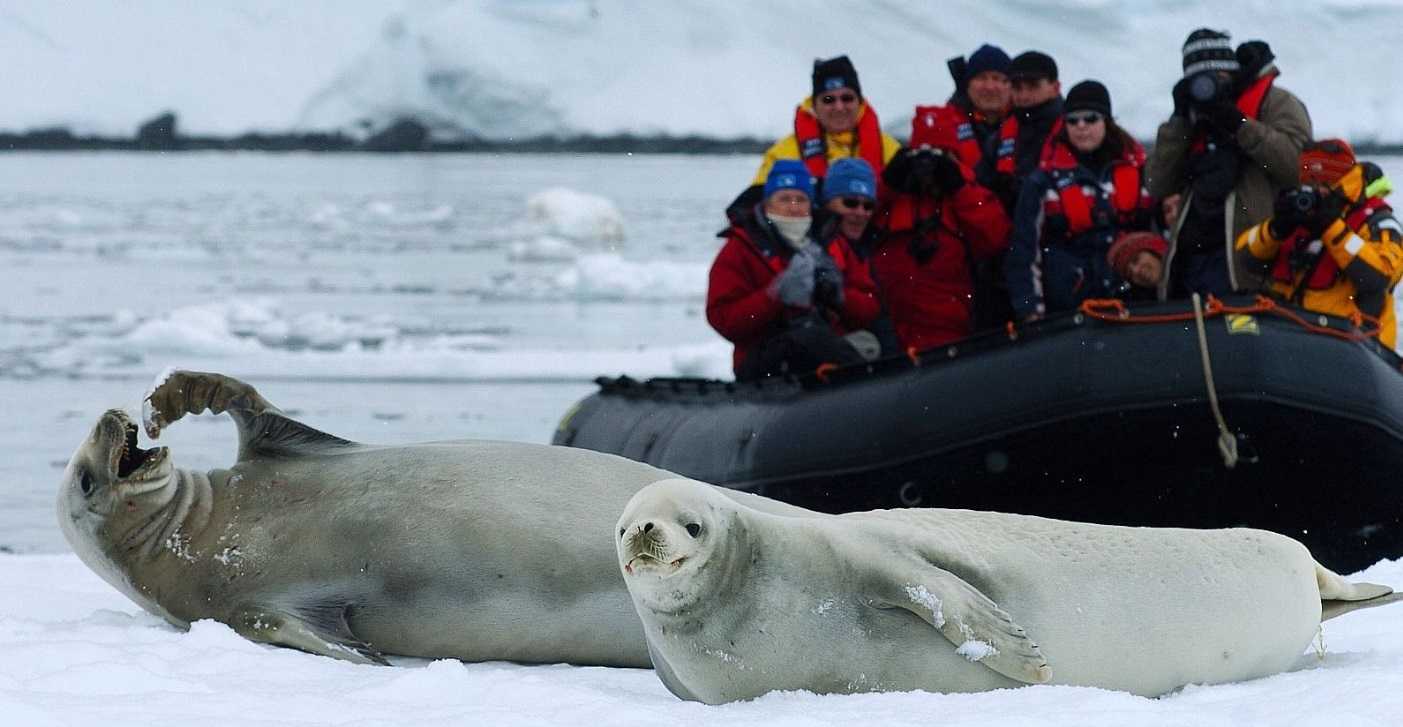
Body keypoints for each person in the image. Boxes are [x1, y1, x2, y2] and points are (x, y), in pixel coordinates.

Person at [1146, 30, 1312, 300]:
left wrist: (1239, 124)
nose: (1209, 88)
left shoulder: (1276, 102)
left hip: (1251, 259)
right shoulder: (1191, 117)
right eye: (1198, 81)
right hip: (1193, 260)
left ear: (1233, 72)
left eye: (1217, 77)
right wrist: (1179, 121)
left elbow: (1298, 167)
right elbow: (1157, 183)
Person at [707, 159, 881, 380]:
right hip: (762, 360)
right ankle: (868, 385)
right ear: (768, 204)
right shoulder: (741, 248)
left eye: (801, 199)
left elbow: (870, 309)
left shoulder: (831, 243)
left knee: (869, 342)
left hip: (824, 352)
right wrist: (774, 296)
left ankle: (869, 389)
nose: (793, 207)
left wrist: (838, 295)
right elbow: (723, 320)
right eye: (784, 199)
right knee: (806, 337)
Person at [1006, 81, 1154, 320]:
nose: (1081, 126)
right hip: (1070, 312)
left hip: (1134, 305)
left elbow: (1163, 234)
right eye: (1073, 120)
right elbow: (1023, 253)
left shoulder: (1141, 172)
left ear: (1106, 120)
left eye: (1090, 118)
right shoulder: (1043, 182)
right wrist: (1030, 312)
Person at [1234, 139, 1402, 349]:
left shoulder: (1378, 222)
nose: (1314, 192)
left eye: (1322, 184)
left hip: (1354, 346)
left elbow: (1379, 277)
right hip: (1292, 338)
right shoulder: (1301, 214)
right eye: (1308, 184)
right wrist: (1276, 228)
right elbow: (1245, 255)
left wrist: (1331, 228)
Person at [868, 112, 1011, 352]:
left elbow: (996, 238)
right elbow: (852, 220)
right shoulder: (891, 195)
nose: (928, 166)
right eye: (922, 155)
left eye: (939, 155)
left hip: (952, 333)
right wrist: (888, 181)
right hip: (892, 332)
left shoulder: (969, 195)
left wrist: (959, 187)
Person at [750, 55, 903, 190]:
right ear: (814, 105)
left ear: (860, 102)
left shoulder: (891, 152)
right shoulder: (781, 156)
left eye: (847, 98)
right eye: (828, 99)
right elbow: (756, 206)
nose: (839, 107)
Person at [976, 50, 1063, 215]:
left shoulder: (1077, 129)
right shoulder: (999, 138)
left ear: (1055, 87)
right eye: (1017, 88)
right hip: (1009, 232)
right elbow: (979, 190)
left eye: (1033, 87)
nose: (1024, 95)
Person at [921, 43, 1012, 169]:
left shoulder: (1029, 126)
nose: (990, 87)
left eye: (997, 78)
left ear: (1011, 86)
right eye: (981, 78)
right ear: (967, 85)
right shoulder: (943, 125)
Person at [1107, 231, 1170, 301]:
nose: (1136, 271)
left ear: (1154, 251)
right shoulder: (1153, 305)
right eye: (1130, 274)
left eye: (1136, 260)